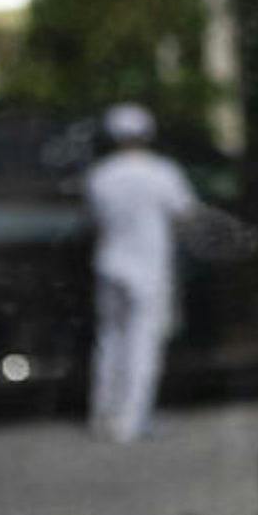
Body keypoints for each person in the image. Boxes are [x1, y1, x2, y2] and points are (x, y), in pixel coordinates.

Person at [84, 103, 197, 442]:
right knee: (143, 343)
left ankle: (103, 412)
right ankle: (131, 421)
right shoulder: (162, 172)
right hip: (149, 267)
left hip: (109, 264)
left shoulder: (100, 175)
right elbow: (186, 214)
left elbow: (93, 221)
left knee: (110, 339)